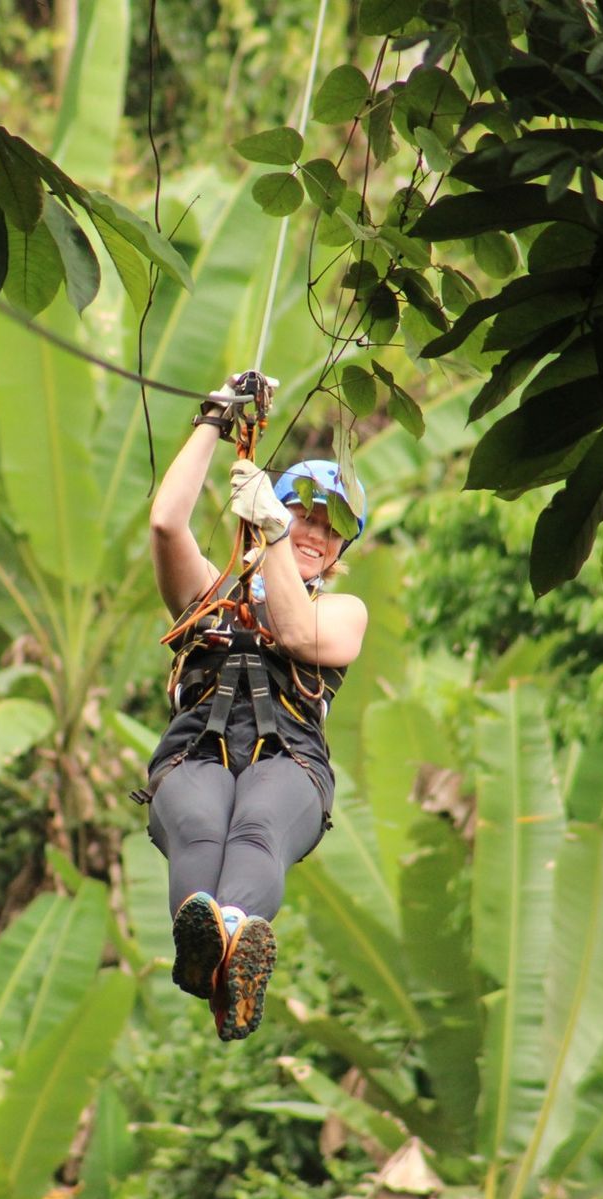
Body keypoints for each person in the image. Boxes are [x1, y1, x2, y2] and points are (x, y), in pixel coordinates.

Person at [136, 372, 369, 1041]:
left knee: (258, 826)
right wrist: (214, 417)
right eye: (303, 515)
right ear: (279, 511)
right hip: (195, 753)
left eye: (330, 529)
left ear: (339, 551)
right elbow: (165, 522)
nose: (313, 532)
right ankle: (212, 947)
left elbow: (297, 634)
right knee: (203, 828)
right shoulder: (211, 596)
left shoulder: (343, 611)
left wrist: (270, 537)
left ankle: (229, 946)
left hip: (289, 760)